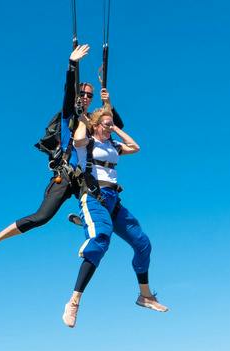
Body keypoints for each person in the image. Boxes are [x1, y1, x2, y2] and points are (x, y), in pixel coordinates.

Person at [0, 43, 100, 248]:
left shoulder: (92, 122)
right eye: (83, 94)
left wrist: (108, 100)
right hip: (66, 174)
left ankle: (88, 221)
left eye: (90, 95)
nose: (86, 98)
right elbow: (68, 93)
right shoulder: (69, 116)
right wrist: (72, 65)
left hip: (85, 176)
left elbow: (115, 124)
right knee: (42, 217)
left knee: (108, 205)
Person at [61, 105, 166, 328]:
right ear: (96, 126)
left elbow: (135, 147)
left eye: (111, 124)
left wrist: (115, 127)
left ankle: (145, 295)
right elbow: (78, 139)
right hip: (93, 197)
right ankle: (74, 301)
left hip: (113, 201)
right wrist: (83, 119)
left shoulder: (113, 145)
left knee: (142, 243)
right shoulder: (87, 144)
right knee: (101, 240)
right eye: (106, 125)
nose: (109, 128)